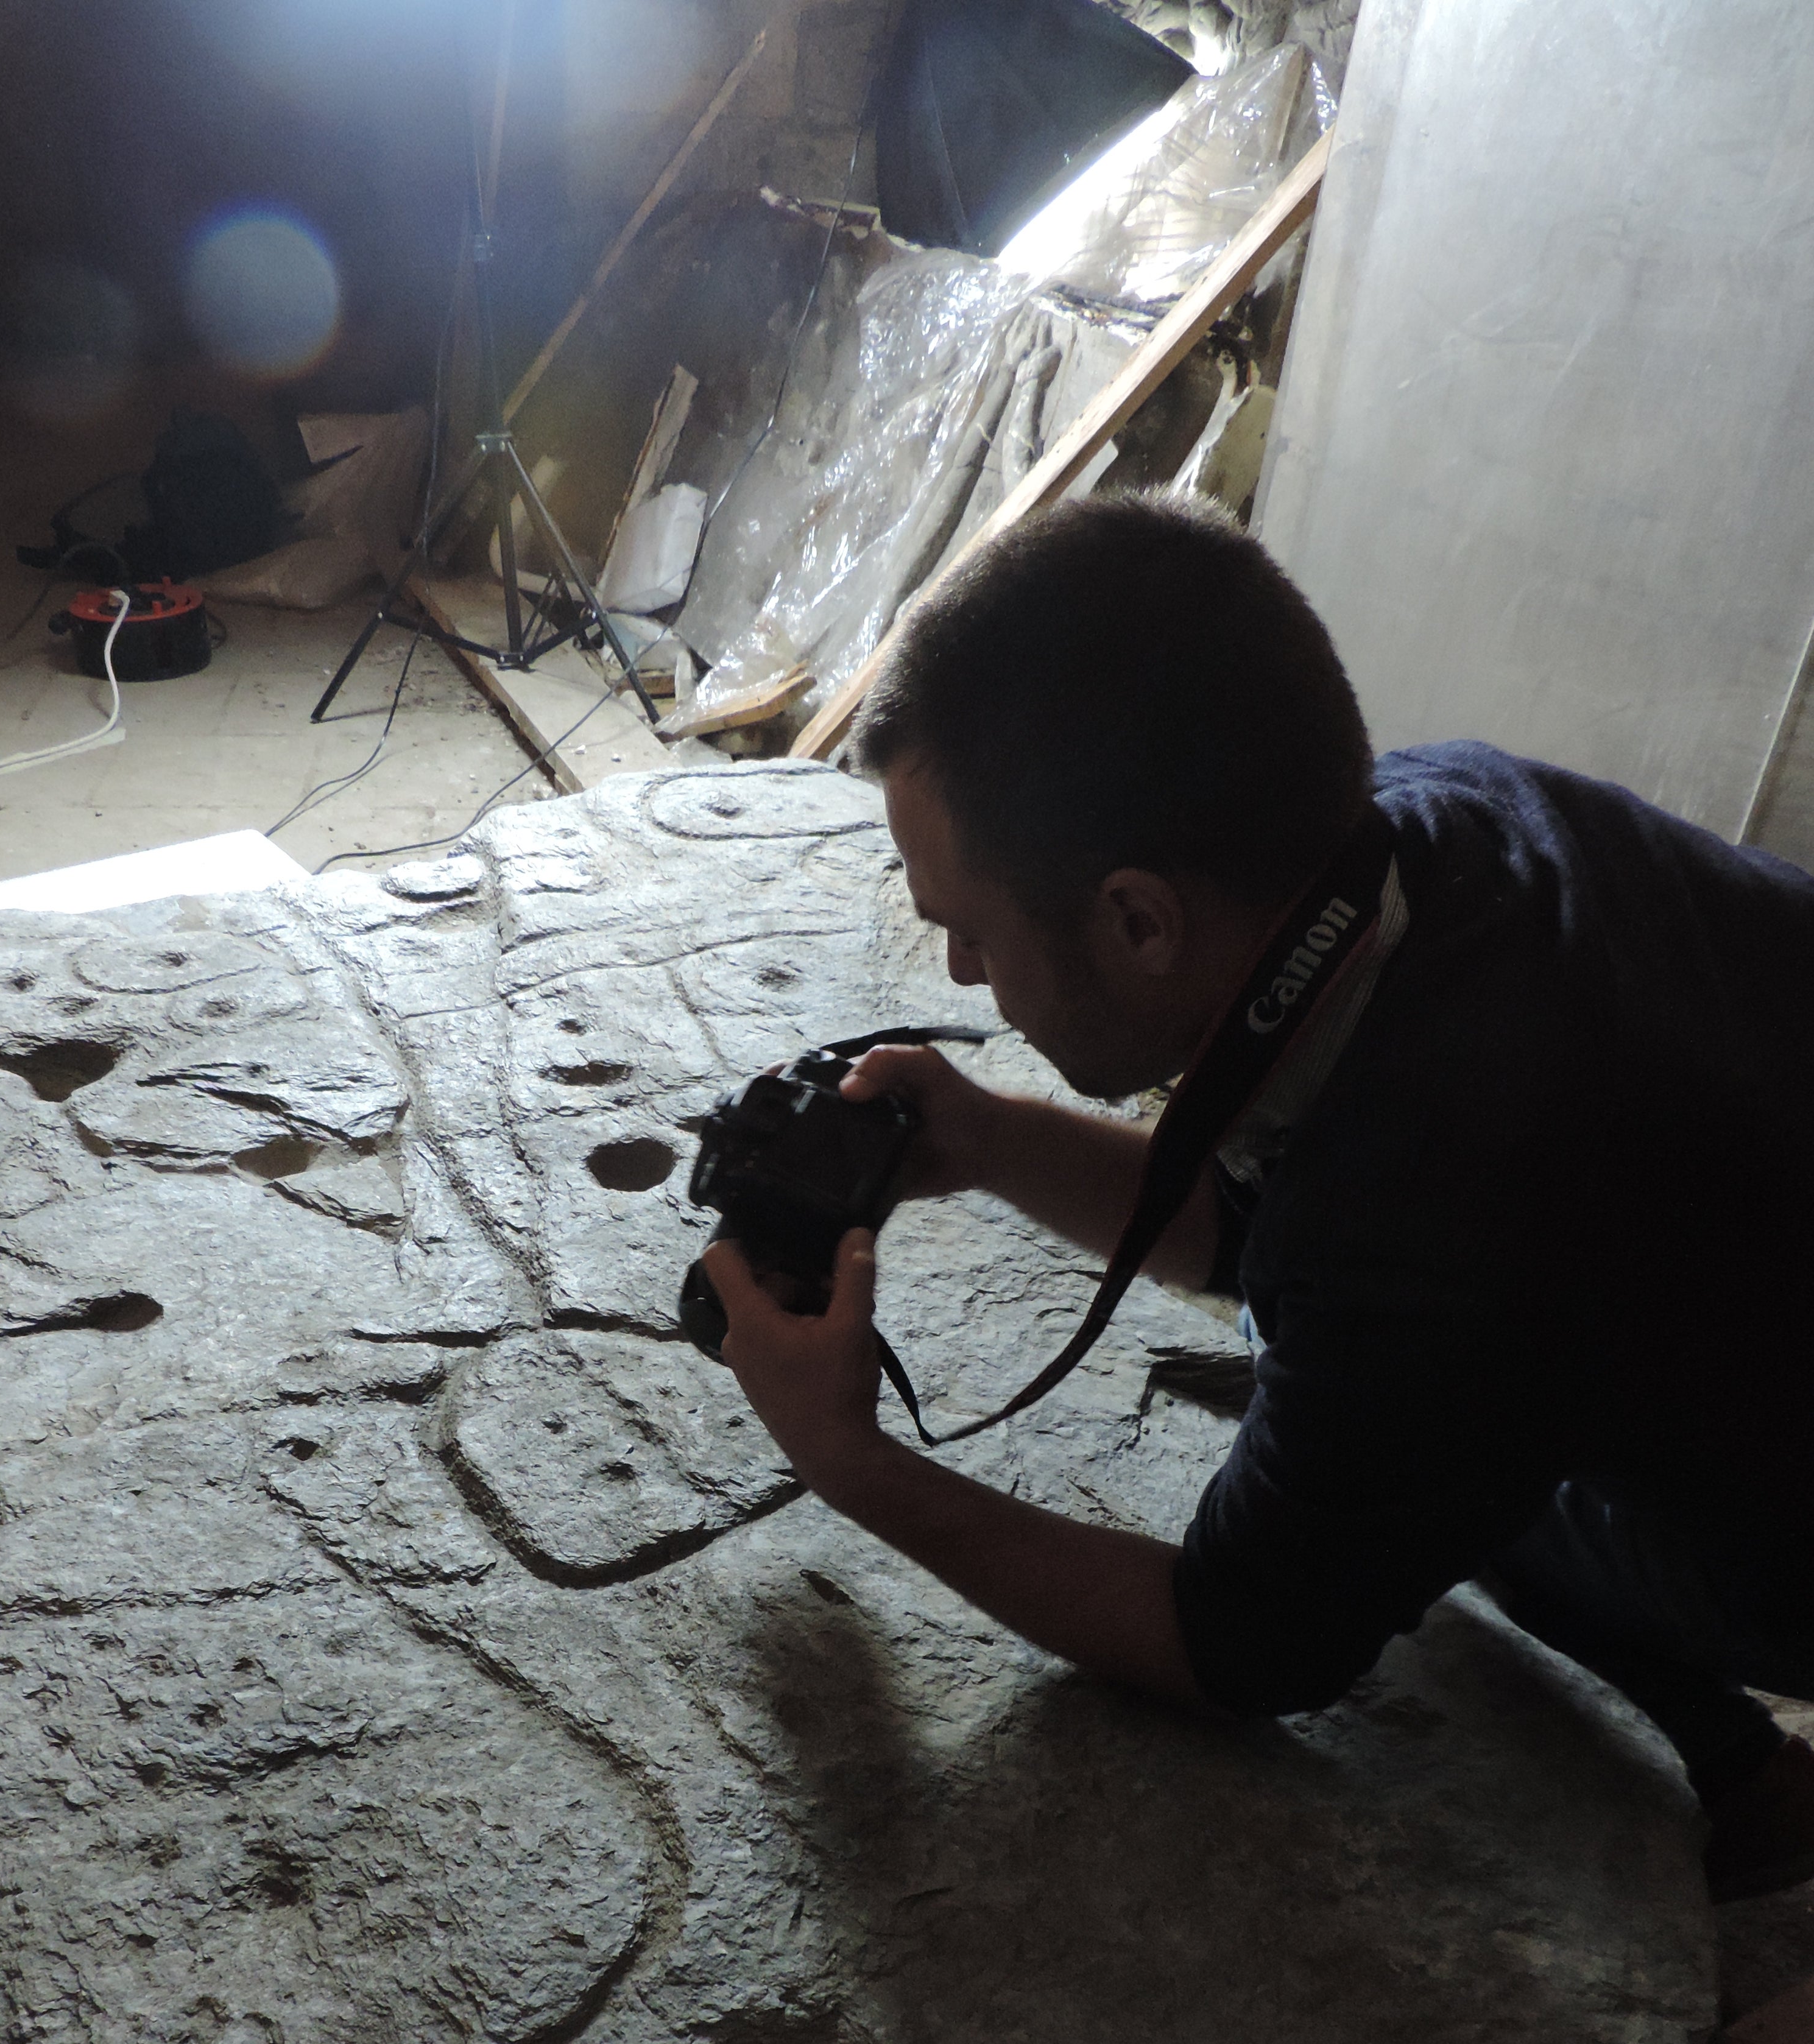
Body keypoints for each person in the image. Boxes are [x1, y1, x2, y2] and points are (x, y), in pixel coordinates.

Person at [702, 493, 1814, 1901]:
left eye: (969, 933)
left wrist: (851, 1463)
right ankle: (1742, 1773)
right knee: (1356, 1372)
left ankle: (1742, 1770)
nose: (965, 982)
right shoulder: (1422, 828)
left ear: (1139, 921)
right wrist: (985, 1138)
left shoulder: (1439, 1221)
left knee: (1406, 1469)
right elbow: (1268, 1222)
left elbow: (1236, 1644)